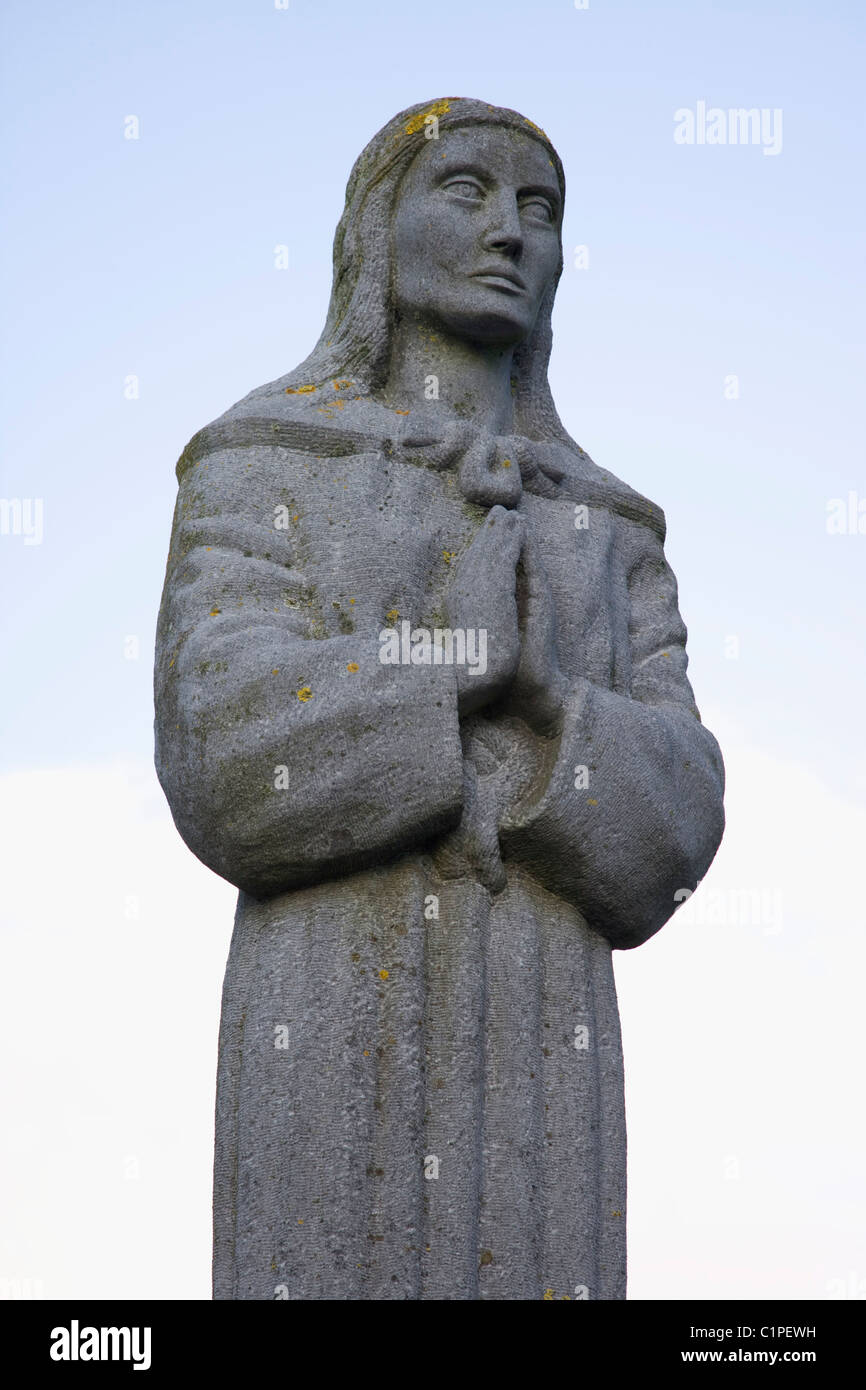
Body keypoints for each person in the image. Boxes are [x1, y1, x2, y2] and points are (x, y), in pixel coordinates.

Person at [154, 97, 725, 1300]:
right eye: (463, 193)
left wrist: (548, 710)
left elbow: (676, 819)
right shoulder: (264, 458)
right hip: (319, 1009)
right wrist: (443, 668)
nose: (510, 232)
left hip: (542, 1022)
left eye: (540, 209)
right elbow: (219, 745)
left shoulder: (611, 524)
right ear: (376, 232)